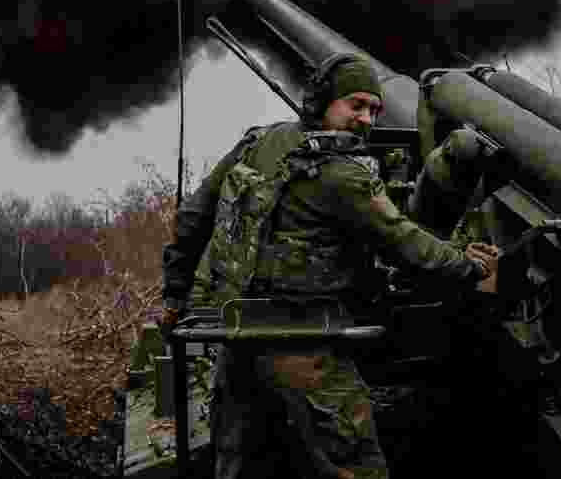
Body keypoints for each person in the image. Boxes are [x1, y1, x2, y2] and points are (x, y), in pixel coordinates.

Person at [161, 53, 500, 479]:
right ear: (322, 102)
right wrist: (469, 266)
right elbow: (405, 244)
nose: (367, 119)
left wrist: (175, 295)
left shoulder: (256, 143)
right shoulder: (343, 175)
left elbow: (194, 217)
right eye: (355, 105)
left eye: (374, 110)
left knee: (240, 462)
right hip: (304, 342)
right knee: (357, 465)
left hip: (237, 335)